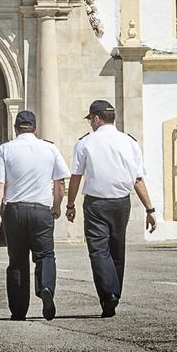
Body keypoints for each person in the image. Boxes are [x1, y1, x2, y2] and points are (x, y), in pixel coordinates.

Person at [66, 99, 156, 318]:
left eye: (90, 120)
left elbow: (76, 177)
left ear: (96, 119)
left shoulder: (85, 143)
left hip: (96, 203)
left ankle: (109, 294)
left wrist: (70, 205)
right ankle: (113, 295)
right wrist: (150, 209)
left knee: (98, 250)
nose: (90, 124)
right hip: (121, 203)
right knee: (117, 251)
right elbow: (138, 180)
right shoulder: (130, 142)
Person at [0, 109, 69, 321]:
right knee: (45, 255)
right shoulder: (50, 149)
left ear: (16, 129)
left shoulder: (5, 149)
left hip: (15, 210)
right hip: (42, 210)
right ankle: (46, 288)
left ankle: (18, 310)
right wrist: (57, 205)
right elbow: (60, 182)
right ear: (35, 127)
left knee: (17, 261)